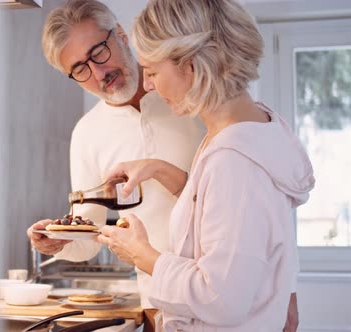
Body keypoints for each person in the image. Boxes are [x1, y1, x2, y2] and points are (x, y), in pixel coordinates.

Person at [96, 0, 314, 331]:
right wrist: (159, 169)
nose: (150, 85)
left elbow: (220, 299)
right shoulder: (251, 128)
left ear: (193, 64)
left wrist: (143, 255)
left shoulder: (234, 162)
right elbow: (231, 219)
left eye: (153, 72)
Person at [25, 0, 205, 330]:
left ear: (121, 34)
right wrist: (59, 242)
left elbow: (253, 196)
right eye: (79, 69)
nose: (97, 73)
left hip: (229, 290)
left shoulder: (193, 94)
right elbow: (87, 237)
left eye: (98, 53)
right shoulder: (87, 134)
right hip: (160, 304)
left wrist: (288, 290)